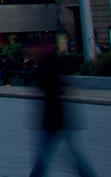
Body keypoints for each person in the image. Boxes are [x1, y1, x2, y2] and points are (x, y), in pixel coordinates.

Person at [29, 42, 95, 177]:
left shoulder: (45, 66)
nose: (31, 54)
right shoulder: (53, 64)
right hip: (60, 117)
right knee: (70, 153)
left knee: (44, 153)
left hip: (53, 118)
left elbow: (45, 86)